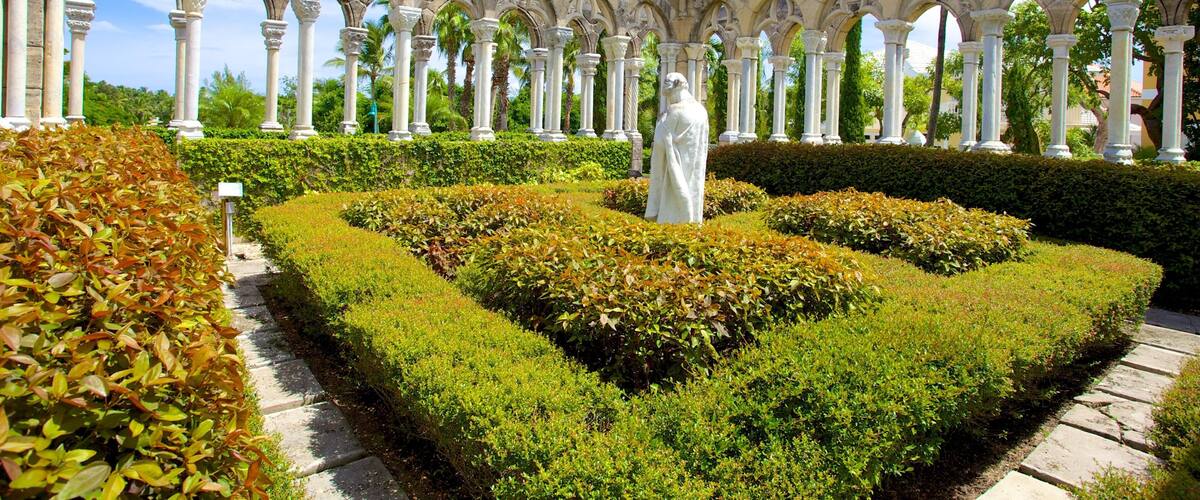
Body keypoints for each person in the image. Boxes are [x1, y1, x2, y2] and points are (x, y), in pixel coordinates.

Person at [645, 72, 709, 224]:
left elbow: (660, 144)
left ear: (675, 90)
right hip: (694, 172)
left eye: (669, 95)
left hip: (674, 175)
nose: (669, 100)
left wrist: (661, 123)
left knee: (672, 214)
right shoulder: (701, 111)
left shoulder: (674, 111)